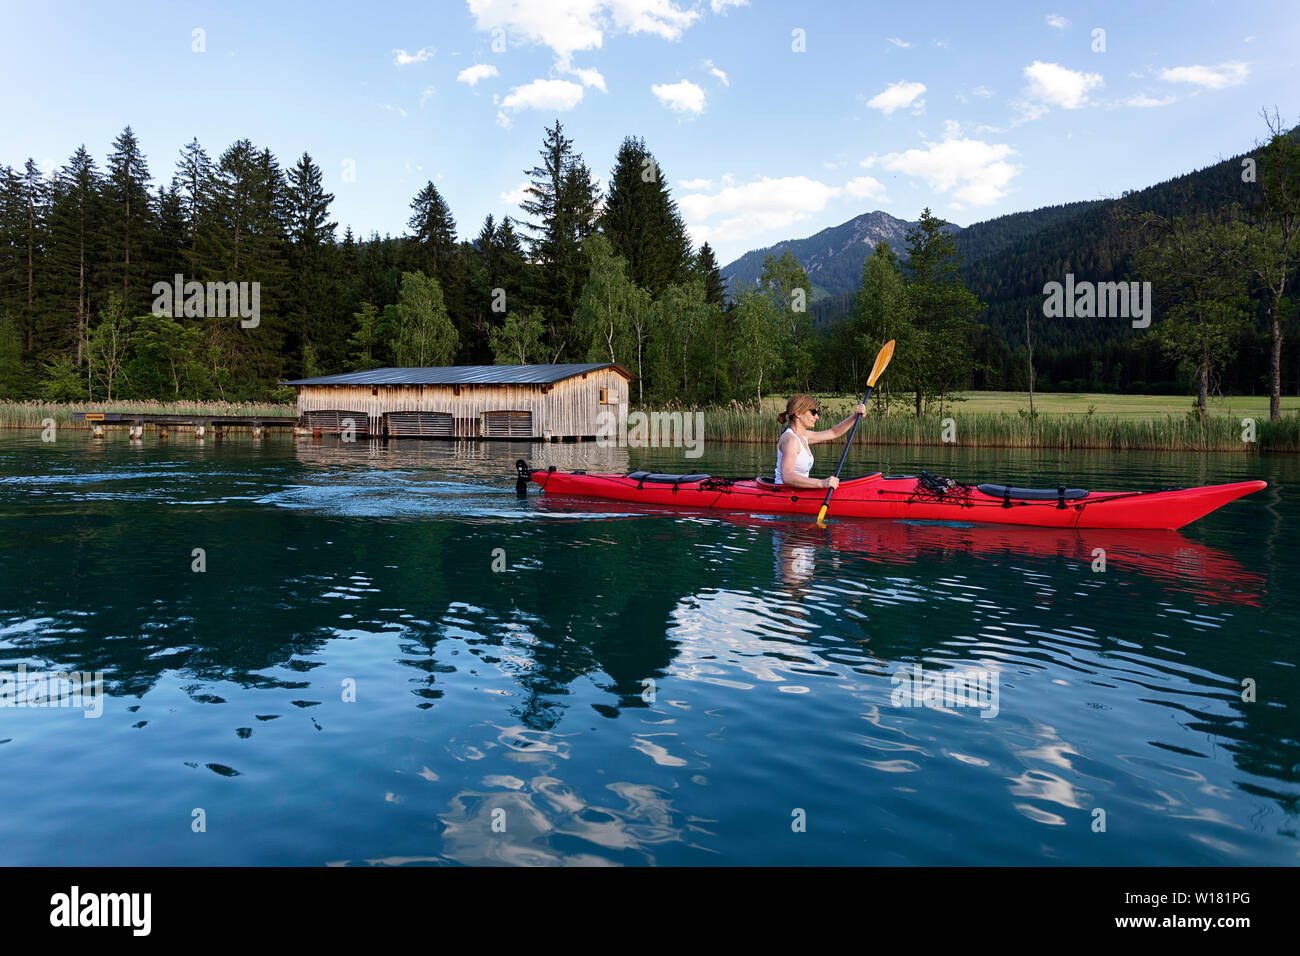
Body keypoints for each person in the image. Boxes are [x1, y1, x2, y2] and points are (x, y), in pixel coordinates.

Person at [774, 394, 868, 489]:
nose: (817, 417)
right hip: (784, 493)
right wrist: (822, 483)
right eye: (813, 412)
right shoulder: (791, 440)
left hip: (798, 492)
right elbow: (787, 476)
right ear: (798, 413)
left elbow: (833, 433)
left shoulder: (803, 436)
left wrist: (854, 417)